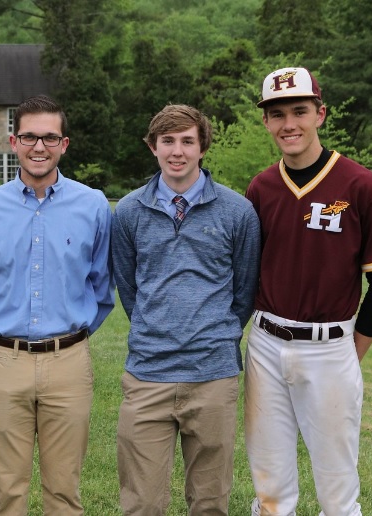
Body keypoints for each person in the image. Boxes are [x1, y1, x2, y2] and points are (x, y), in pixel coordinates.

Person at [244, 67, 372, 516]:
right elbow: (249, 273)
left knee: (337, 488)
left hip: (331, 344)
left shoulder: (360, 185)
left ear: (321, 114)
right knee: (270, 485)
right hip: (266, 342)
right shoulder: (261, 187)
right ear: (266, 123)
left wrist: (354, 351)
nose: (288, 123)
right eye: (277, 114)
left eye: (299, 110)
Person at [0, 94, 115, 515]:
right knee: (7, 492)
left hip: (68, 360)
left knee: (64, 492)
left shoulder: (93, 206)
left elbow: (102, 288)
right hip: (5, 360)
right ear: (14, 141)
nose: (38, 147)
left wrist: (72, 334)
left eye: (49, 138)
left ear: (64, 144)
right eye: (29, 136)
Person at [111, 104, 261, 515]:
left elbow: (244, 291)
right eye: (168, 141)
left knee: (210, 502)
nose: (177, 151)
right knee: (141, 502)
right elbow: (129, 288)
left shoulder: (237, 212)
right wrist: (155, 326)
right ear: (153, 147)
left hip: (212, 374)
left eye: (187, 141)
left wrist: (215, 331)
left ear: (202, 147)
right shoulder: (127, 212)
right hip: (147, 375)